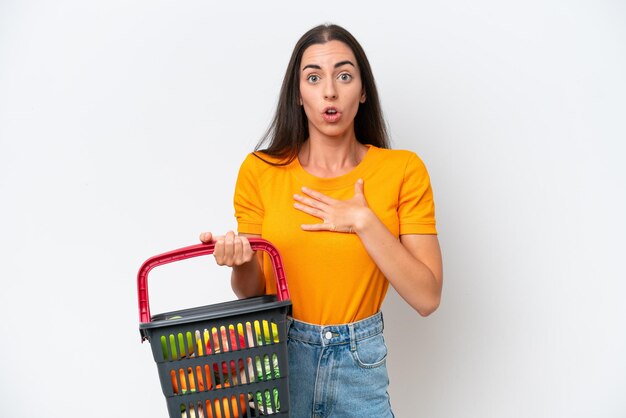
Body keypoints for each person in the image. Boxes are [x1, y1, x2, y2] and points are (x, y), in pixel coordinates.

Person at [200, 23, 442, 417]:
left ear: (362, 91)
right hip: (280, 359)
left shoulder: (403, 170)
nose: (330, 91)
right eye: (314, 78)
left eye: (344, 76)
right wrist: (241, 260)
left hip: (359, 369)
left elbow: (427, 297)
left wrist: (364, 222)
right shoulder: (260, 171)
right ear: (298, 94)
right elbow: (251, 294)